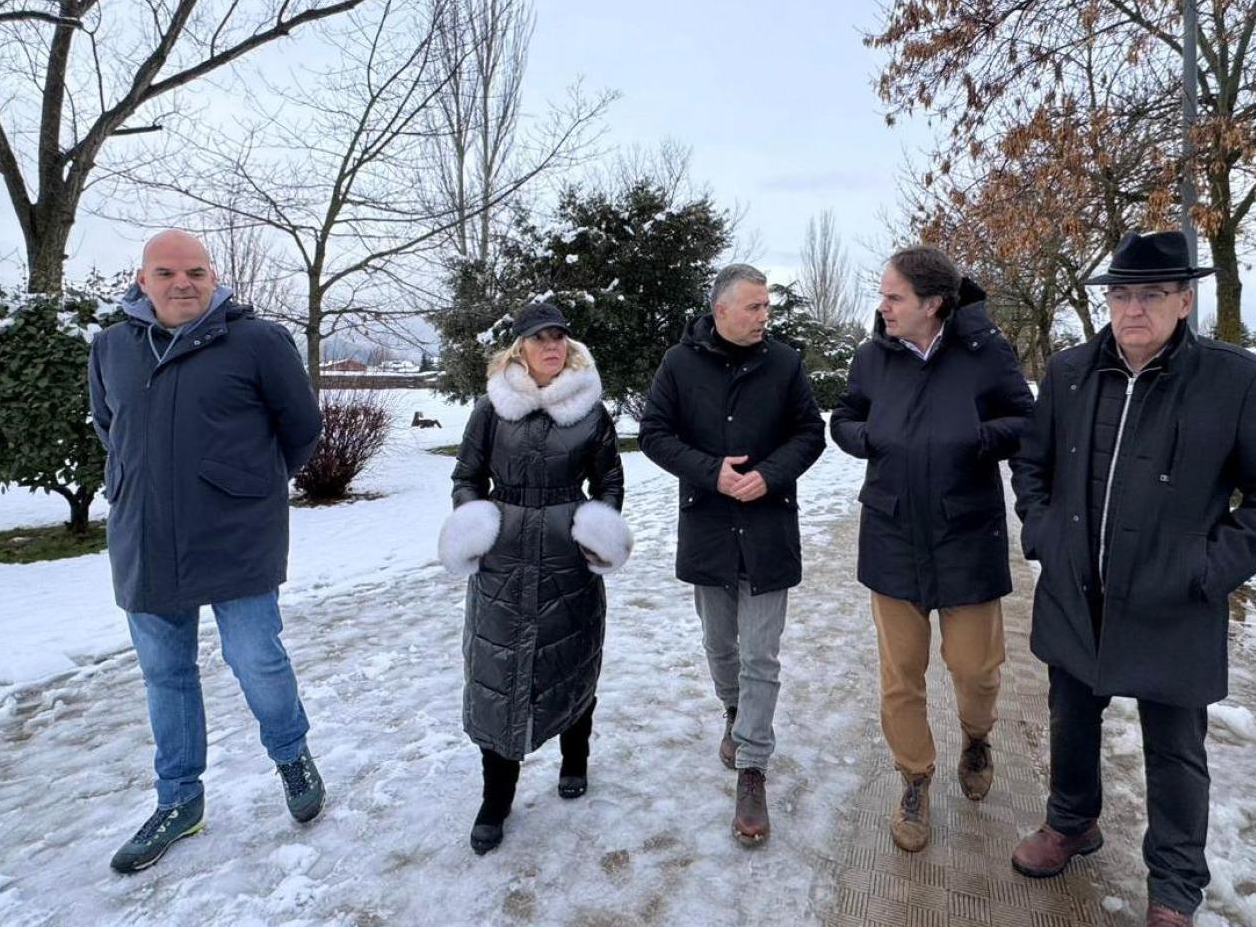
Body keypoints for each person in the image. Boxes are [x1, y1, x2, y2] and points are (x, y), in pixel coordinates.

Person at [1008, 231, 1256, 926]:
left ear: (1184, 300)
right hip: (1077, 590)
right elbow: (1032, 465)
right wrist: (1044, 532)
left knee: (1175, 747)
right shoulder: (1070, 372)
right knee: (1070, 718)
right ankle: (1071, 822)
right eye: (1121, 295)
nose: (1133, 309)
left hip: (1174, 599)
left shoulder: (1236, 381)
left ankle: (1175, 883)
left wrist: (1209, 567)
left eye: (1151, 294)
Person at [89, 229, 325, 874]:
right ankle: (179, 800)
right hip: (143, 538)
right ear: (142, 280)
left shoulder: (257, 341)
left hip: (235, 534)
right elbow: (111, 429)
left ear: (213, 277)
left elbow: (301, 428)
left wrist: (244, 485)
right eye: (166, 273)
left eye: (195, 272)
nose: (182, 284)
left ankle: (291, 756)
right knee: (165, 675)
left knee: (256, 659)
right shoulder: (111, 346)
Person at [829, 245, 1034, 853]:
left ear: (933, 303)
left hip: (966, 534)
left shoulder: (986, 352)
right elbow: (845, 416)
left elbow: (1026, 420)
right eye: (883, 295)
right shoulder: (872, 356)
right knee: (900, 676)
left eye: (894, 297)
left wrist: (976, 436)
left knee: (975, 669)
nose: (883, 307)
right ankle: (915, 778)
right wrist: (866, 436)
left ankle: (977, 737)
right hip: (892, 533)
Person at [638, 263, 826, 846]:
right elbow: (653, 434)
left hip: (769, 529)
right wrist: (710, 472)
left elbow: (810, 434)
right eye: (754, 307)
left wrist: (769, 475)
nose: (764, 316)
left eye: (767, 306)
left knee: (760, 655)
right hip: (709, 527)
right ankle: (734, 711)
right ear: (720, 310)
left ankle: (752, 767)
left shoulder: (785, 363)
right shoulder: (679, 364)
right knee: (720, 644)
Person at [438, 301, 632, 856]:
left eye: (559, 338)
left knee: (571, 660)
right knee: (497, 673)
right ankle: (495, 799)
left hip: (568, 556)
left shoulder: (591, 412)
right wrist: (475, 524)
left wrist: (598, 530)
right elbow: (467, 475)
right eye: (540, 338)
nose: (552, 346)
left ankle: (575, 757)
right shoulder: (491, 409)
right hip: (502, 558)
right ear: (519, 347)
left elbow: (609, 481)